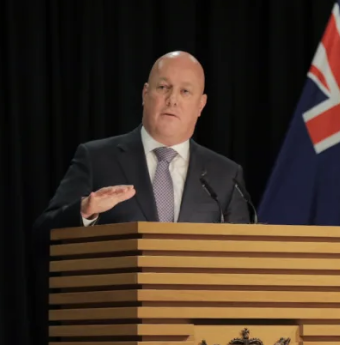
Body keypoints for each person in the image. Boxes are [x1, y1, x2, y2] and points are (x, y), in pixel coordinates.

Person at [34, 51, 251, 237]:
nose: (172, 99)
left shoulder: (225, 175)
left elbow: (244, 255)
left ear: (201, 105)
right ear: (145, 94)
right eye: (163, 87)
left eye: (185, 91)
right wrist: (84, 211)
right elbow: (43, 235)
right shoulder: (96, 159)